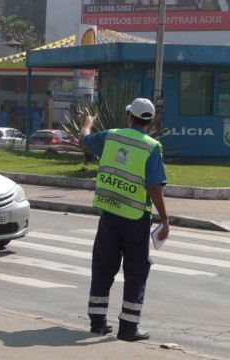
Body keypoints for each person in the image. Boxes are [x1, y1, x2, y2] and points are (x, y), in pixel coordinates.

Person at [78, 98, 170, 342]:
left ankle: (98, 323)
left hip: (109, 215)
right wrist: (165, 219)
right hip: (136, 219)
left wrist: (87, 123)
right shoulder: (152, 147)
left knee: (103, 267)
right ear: (149, 122)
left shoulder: (110, 137)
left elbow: (84, 139)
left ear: (130, 116)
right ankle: (128, 328)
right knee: (136, 271)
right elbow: (154, 187)